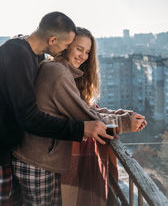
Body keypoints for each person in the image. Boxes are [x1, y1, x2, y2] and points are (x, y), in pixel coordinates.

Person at [0, 12, 112, 206]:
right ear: (52, 40)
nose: (67, 49)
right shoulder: (16, 55)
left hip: (4, 152)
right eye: (68, 45)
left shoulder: (33, 55)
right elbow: (29, 118)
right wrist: (81, 129)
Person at [12, 27, 147, 206]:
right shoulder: (57, 73)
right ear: (66, 46)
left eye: (87, 51)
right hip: (37, 162)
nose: (83, 56)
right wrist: (126, 122)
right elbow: (84, 116)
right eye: (79, 49)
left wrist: (122, 115)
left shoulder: (60, 70)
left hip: (40, 158)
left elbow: (85, 108)